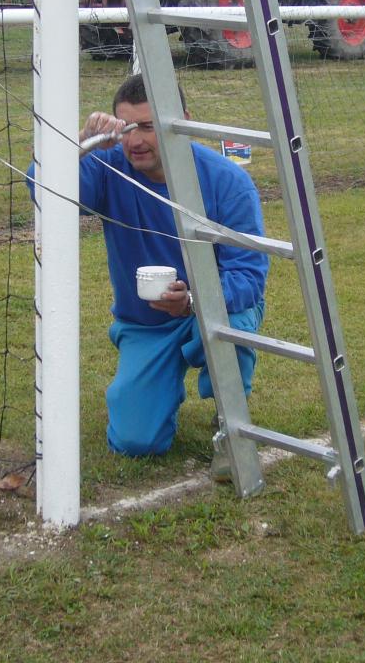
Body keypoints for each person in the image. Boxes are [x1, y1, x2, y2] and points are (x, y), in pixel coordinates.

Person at [46, 73, 267, 458]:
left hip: (215, 313)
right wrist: (79, 146)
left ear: (181, 120)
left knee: (233, 322)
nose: (135, 140)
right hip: (146, 324)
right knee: (135, 442)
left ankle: (230, 416)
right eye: (127, 127)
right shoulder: (106, 167)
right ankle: (159, 385)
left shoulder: (229, 182)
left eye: (147, 127)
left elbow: (248, 277)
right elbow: (42, 193)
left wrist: (194, 300)